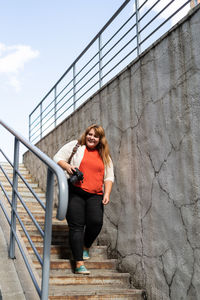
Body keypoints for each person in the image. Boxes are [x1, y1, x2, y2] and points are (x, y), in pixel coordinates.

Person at [53, 124, 114, 275]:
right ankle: (79, 263)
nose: (91, 138)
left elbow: (109, 176)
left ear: (100, 139)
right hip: (75, 192)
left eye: (95, 136)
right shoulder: (76, 146)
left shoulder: (104, 154)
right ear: (86, 134)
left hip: (95, 194)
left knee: (96, 222)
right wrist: (67, 166)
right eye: (90, 134)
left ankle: (86, 246)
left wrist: (107, 193)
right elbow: (57, 157)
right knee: (76, 226)